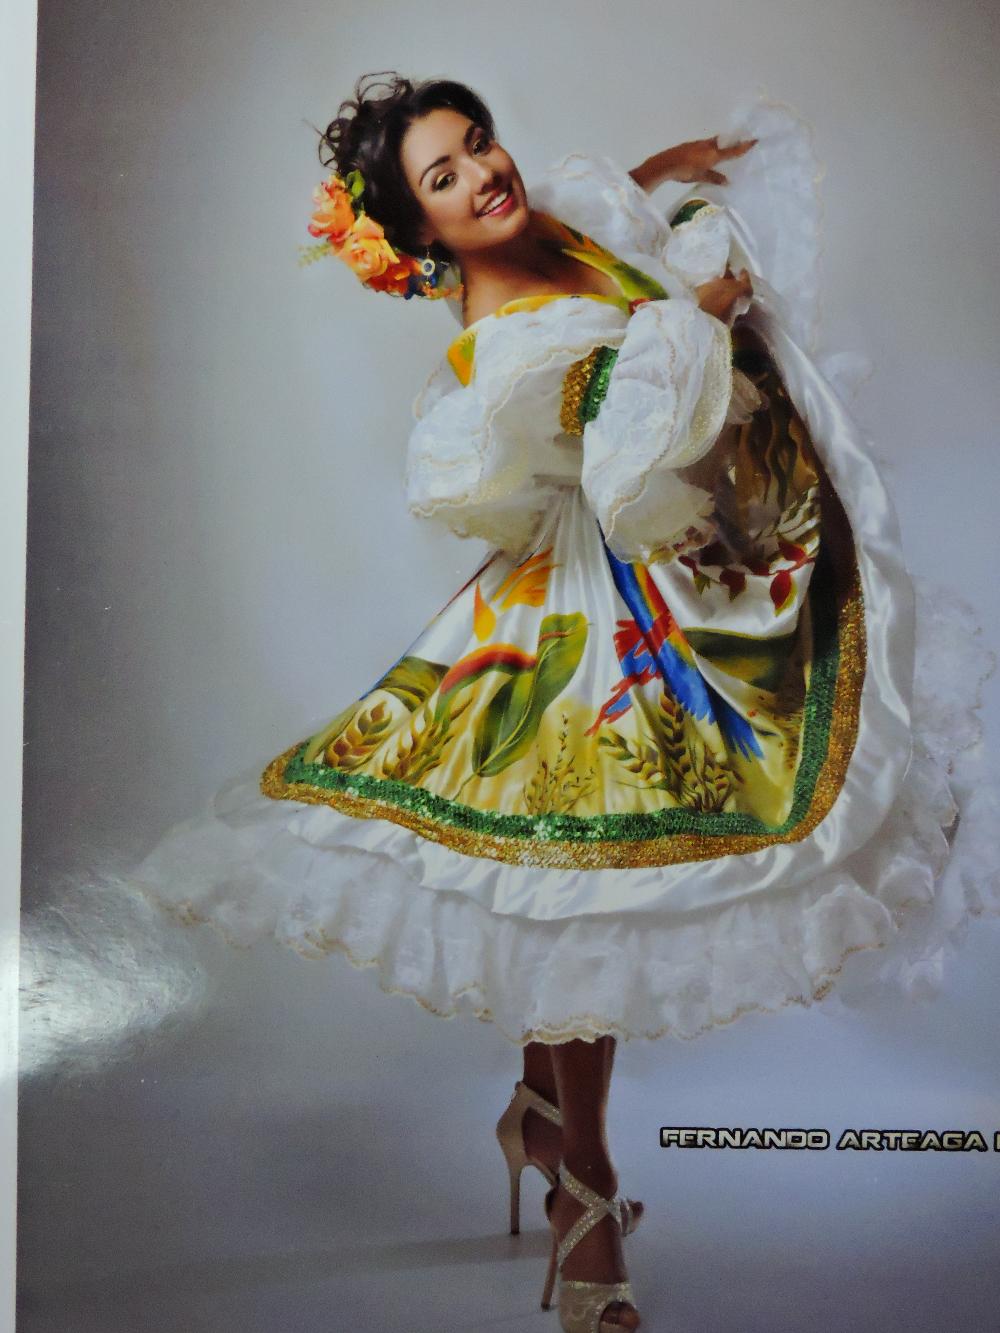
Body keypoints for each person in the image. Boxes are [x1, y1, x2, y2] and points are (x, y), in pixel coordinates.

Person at [130, 71, 1000, 1332]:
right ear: (420, 233)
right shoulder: (503, 347)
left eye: (478, 142)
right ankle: (582, 1186)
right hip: (595, 610)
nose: (485, 175)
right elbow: (626, 456)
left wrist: (666, 174)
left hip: (693, 589)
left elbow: (604, 216)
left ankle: (542, 1116)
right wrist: (694, 321)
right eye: (443, 178)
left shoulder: (553, 223)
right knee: (578, 884)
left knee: (576, 888)